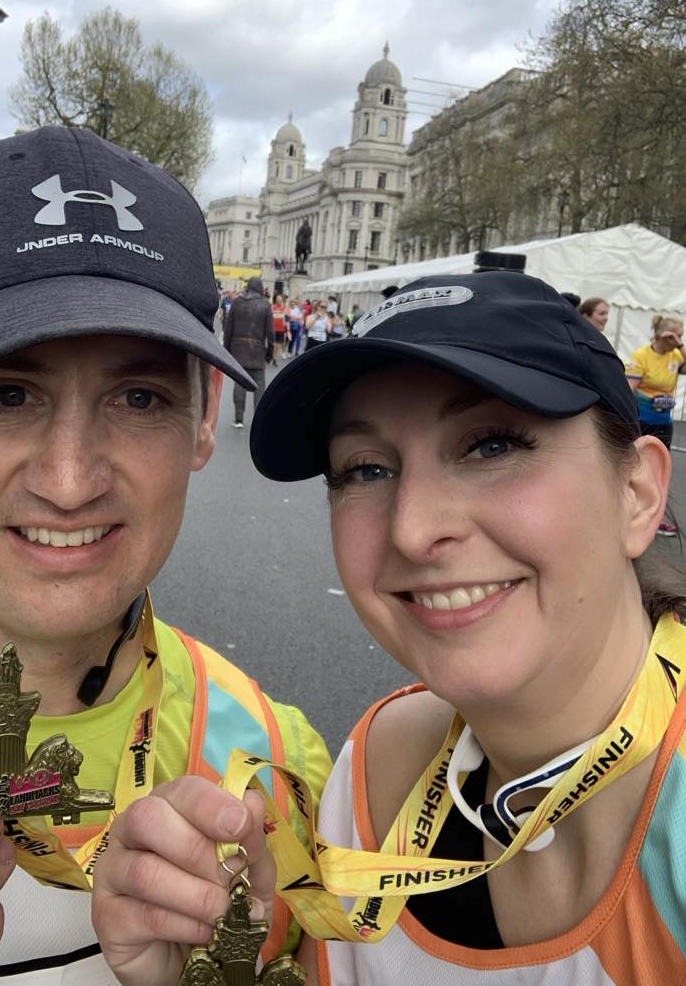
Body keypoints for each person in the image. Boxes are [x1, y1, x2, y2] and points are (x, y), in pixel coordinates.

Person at [0, 125, 331, 985]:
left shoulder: (281, 767)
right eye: (7, 393)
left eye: (139, 396)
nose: (70, 482)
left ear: (201, 419)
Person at [116, 272, 684, 984]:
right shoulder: (375, 766)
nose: (414, 530)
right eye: (366, 469)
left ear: (637, 494)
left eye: (491, 446)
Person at [625, 314, 685, 536]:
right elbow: (628, 387)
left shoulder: (676, 355)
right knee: (633, 465)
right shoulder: (642, 355)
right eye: (675, 335)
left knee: (659, 470)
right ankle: (625, 511)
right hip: (642, 420)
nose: (679, 340)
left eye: (681, 336)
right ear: (662, 335)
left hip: (664, 422)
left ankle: (656, 518)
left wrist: (680, 344)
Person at [223, 275, 274, 428]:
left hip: (238, 350)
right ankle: (259, 420)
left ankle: (239, 419)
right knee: (259, 387)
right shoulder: (265, 305)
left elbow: (228, 328)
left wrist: (227, 350)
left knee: (240, 384)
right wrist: (270, 352)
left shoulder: (237, 302)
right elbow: (270, 333)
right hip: (258, 350)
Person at [271, 291, 289, 364]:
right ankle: (273, 357)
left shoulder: (285, 308)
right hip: (273, 329)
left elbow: (287, 318)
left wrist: (288, 329)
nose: (279, 301)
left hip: (281, 329)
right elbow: (270, 314)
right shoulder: (272, 307)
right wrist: (279, 313)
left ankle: (275, 358)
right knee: (274, 345)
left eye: (280, 300)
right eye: (278, 300)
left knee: (278, 345)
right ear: (275, 300)